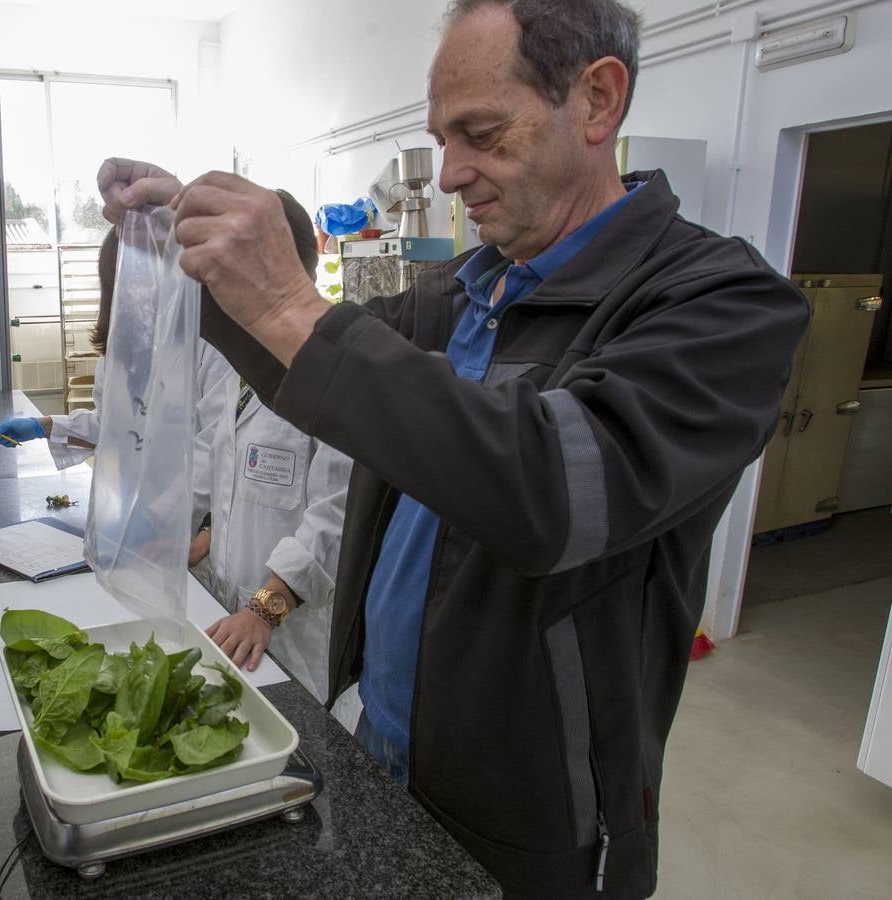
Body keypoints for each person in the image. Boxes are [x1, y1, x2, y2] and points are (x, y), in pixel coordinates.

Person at [96, 1, 810, 897]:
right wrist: (186, 251)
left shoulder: (722, 306)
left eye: (480, 133)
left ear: (597, 101)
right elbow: (310, 382)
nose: (449, 175)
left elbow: (550, 490)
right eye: (441, 139)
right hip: (379, 732)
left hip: (534, 803)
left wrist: (288, 302)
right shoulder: (461, 294)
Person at [193, 191, 352, 708]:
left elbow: (336, 517)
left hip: (286, 631)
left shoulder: (338, 369)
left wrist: (263, 610)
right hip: (224, 614)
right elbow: (205, 467)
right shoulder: (239, 369)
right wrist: (158, 536)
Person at [0, 229, 117, 470]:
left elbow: (205, 457)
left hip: (176, 503)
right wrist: (42, 426)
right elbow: (110, 427)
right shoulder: (118, 350)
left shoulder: (201, 348)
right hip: (124, 493)